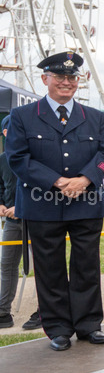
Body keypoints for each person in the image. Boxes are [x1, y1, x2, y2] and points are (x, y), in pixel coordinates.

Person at [6, 52, 104, 351]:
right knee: (49, 268)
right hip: (41, 204)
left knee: (87, 266)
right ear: (45, 79)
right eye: (59, 77)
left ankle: (89, 325)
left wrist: (85, 179)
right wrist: (57, 181)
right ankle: (57, 329)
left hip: (86, 202)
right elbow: (17, 158)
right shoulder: (22, 116)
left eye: (72, 78)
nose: (66, 82)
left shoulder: (94, 116)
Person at [0, 116, 22, 329]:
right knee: (7, 265)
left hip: (37, 221)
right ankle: (3, 313)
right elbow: (1, 186)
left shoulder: (34, 156)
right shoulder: (2, 159)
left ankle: (44, 311)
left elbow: (41, 188)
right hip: (11, 223)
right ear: (6, 133)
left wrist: (21, 207)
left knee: (45, 266)